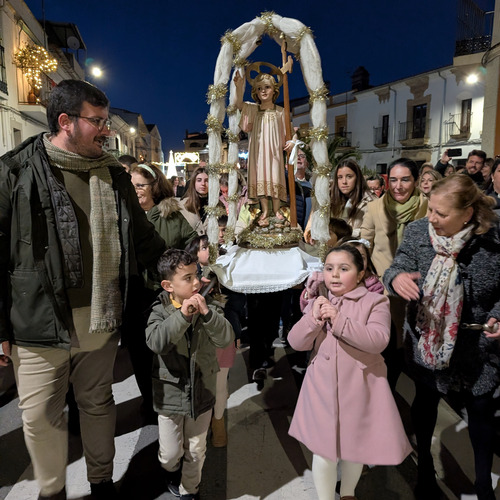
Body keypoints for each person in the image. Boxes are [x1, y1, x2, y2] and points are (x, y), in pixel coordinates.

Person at [0, 79, 166, 499]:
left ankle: (101, 483)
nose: (106, 130)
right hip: (37, 323)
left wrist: (182, 271)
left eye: (106, 121)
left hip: (101, 319)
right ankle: (52, 491)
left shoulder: (113, 174)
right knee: (39, 416)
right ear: (65, 122)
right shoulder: (15, 172)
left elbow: (145, 240)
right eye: (97, 122)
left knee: (97, 404)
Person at [383, 174, 500, 500]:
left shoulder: (494, 238)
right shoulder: (419, 230)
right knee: (426, 403)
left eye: (441, 213)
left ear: (468, 213)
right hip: (428, 338)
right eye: (430, 209)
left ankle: (482, 485)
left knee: (480, 410)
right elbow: (397, 265)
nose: (431, 218)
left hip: (478, 346)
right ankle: (425, 472)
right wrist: (396, 278)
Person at [288, 246, 411, 500]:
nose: (334, 275)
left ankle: (347, 493)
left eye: (344, 269)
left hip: (360, 388)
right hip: (321, 388)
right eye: (329, 268)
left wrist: (339, 319)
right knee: (323, 453)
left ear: (360, 273)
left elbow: (378, 340)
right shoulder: (317, 302)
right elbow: (295, 342)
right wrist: (314, 318)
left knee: (354, 448)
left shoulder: (375, 302)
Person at [145, 249, 233, 499]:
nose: (196, 283)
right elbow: (156, 342)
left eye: (197, 275)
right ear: (168, 285)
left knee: (196, 448)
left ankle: (189, 489)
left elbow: (225, 338)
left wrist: (207, 314)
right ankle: (171, 469)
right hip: (170, 393)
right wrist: (183, 315)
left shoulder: (209, 305)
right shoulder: (159, 310)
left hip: (202, 390)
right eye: (187, 278)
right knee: (170, 453)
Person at [361, 157, 428, 389]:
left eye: (405, 180)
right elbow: (364, 245)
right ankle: (385, 398)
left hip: (419, 293)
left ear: (416, 181)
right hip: (385, 292)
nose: (398, 186)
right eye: (394, 180)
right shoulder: (375, 207)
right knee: (388, 349)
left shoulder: (429, 208)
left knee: (415, 350)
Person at [234, 69, 293, 225]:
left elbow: (290, 133)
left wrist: (292, 142)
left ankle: (278, 210)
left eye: (266, 87)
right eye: (259, 88)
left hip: (274, 153)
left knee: (274, 177)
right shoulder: (253, 109)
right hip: (258, 153)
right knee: (260, 179)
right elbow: (239, 104)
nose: (263, 91)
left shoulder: (281, 112)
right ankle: (265, 212)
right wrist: (239, 87)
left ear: (274, 89)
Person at [304, 159, 375, 241]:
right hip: (329, 249)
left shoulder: (370, 202)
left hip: (355, 249)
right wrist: (312, 233)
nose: (344, 182)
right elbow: (313, 220)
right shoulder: (328, 198)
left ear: (357, 178)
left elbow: (371, 231)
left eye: (349, 177)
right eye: (340, 177)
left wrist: (343, 233)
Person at [180, 167, 209, 234]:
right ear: (194, 182)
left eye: (206, 181)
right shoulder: (183, 205)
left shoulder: (218, 205)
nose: (203, 184)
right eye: (199, 180)